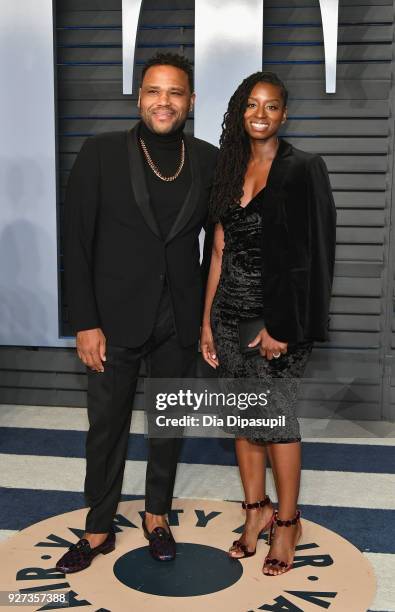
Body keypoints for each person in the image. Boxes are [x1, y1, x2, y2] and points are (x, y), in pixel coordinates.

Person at [56, 53, 217, 572]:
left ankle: (157, 515)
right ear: (140, 97)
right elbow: (77, 244)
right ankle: (99, 526)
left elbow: (219, 242)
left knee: (168, 422)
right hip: (112, 317)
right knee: (107, 427)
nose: (163, 102)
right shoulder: (100, 153)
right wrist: (84, 321)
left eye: (175, 93)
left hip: (180, 319)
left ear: (190, 102)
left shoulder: (210, 160)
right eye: (154, 91)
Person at [201, 71, 336, 576]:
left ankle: (287, 522)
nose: (261, 114)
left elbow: (316, 255)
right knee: (243, 418)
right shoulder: (228, 168)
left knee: (276, 421)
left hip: (276, 320)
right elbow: (217, 249)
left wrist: (283, 326)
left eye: (272, 106)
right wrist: (206, 322)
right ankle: (254, 513)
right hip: (228, 313)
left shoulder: (303, 168)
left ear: (285, 113)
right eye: (252, 105)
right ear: (241, 111)